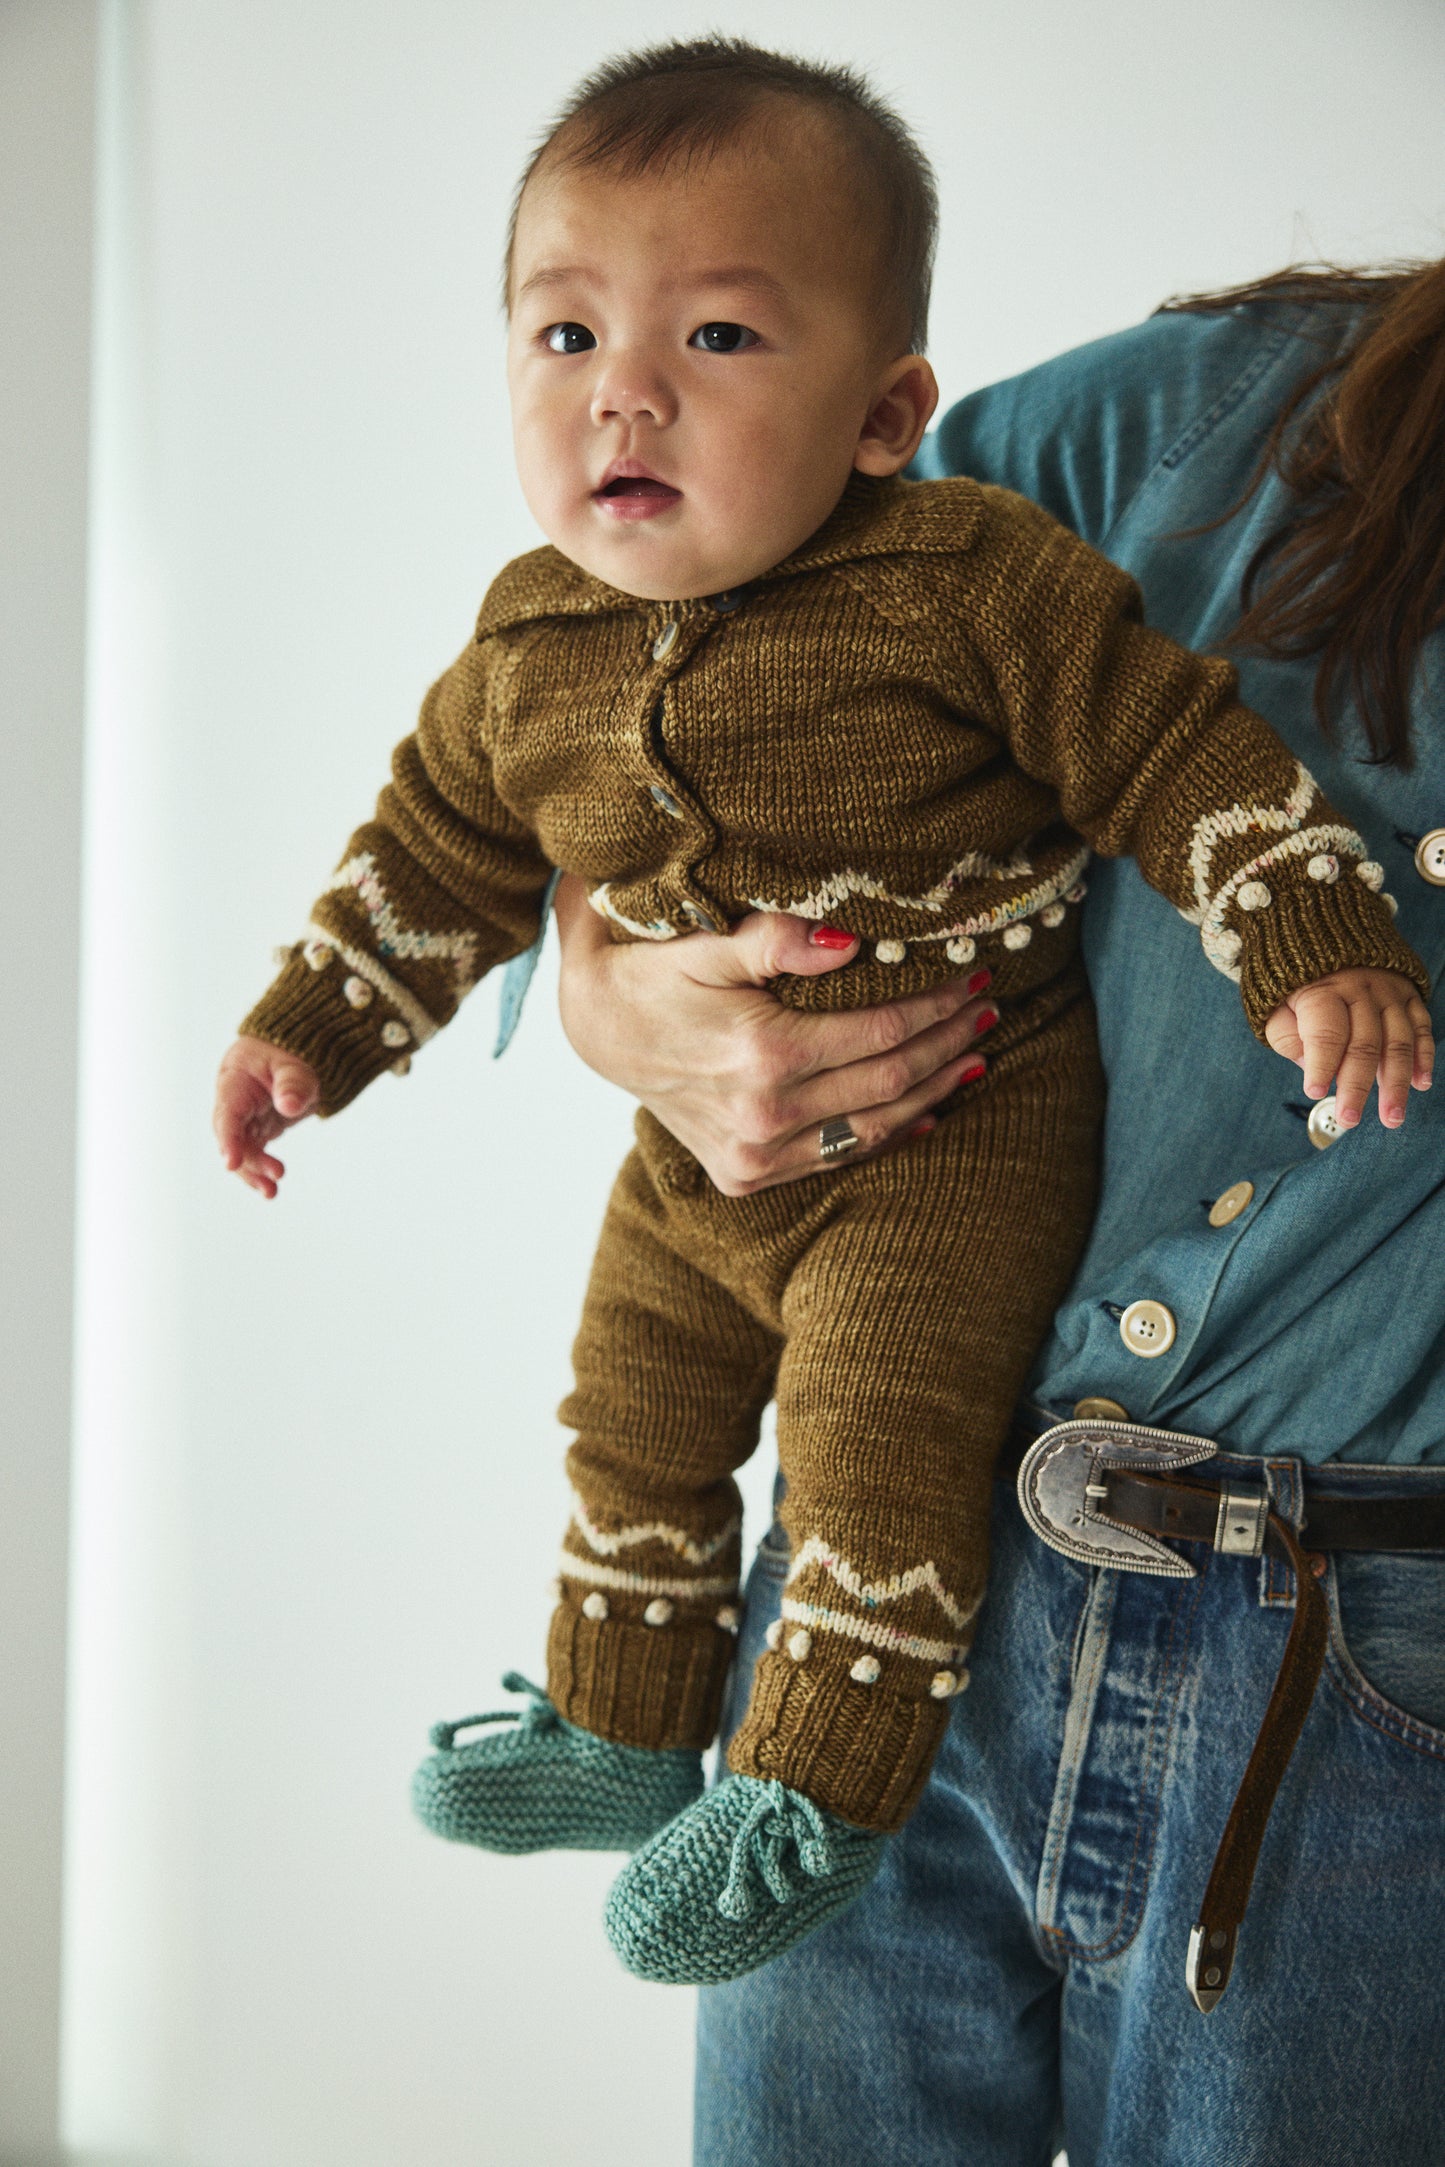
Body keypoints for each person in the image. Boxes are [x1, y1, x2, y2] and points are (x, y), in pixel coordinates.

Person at [211, 38, 1429, 1994]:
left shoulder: (971, 576)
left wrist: (1313, 946)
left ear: (883, 414)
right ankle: (622, 1720)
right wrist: (311, 1037)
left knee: (873, 1437)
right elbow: (436, 854)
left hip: (963, 1132)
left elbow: (1171, 753)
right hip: (703, 1159)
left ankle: (822, 1785)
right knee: (635, 1403)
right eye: (563, 333)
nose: (624, 387)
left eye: (714, 337)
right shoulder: (527, 638)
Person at [549, 256, 1445, 2161]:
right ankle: (606, 1715)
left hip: (1380, 1698)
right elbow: (675, 645)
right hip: (908, 1534)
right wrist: (607, 981)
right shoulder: (1208, 414)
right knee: (640, 1370)